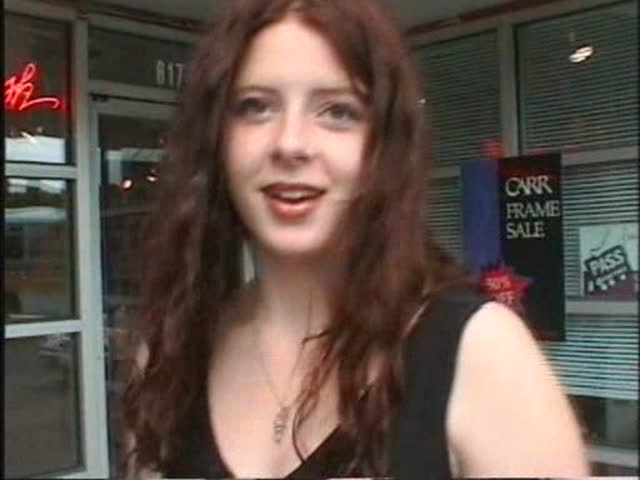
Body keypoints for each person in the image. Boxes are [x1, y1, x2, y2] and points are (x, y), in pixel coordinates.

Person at [122, 0, 589, 478]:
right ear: (215, 140)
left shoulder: (481, 354)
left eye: (337, 111)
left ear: (384, 148)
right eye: (255, 107)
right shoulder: (172, 357)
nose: (290, 143)